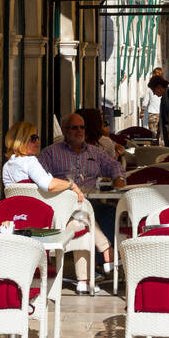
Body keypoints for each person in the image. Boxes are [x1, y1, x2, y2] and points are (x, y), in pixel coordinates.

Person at [40, 114, 125, 290]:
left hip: (90, 202)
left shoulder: (94, 152)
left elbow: (114, 165)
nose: (79, 131)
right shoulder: (51, 153)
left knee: (110, 213)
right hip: (62, 208)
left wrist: (119, 179)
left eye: (82, 127)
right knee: (84, 215)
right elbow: (42, 180)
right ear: (64, 131)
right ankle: (105, 253)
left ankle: (100, 263)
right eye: (74, 128)